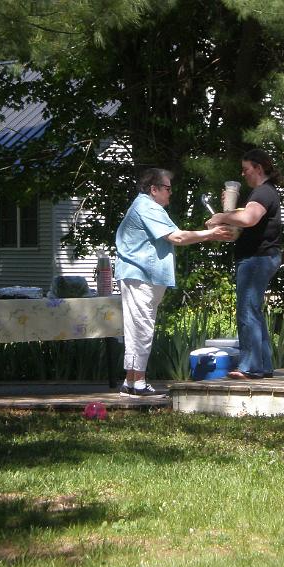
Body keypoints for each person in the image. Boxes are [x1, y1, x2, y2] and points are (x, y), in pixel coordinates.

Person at [115, 168, 234, 396]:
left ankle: (130, 382)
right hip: (141, 277)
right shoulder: (147, 207)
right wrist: (211, 234)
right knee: (141, 328)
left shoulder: (147, 206)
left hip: (141, 277)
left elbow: (176, 234)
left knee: (137, 327)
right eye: (168, 189)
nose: (171, 193)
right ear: (154, 189)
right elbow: (177, 237)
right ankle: (138, 383)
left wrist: (207, 234)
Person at [205, 149, 283, 379]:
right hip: (261, 257)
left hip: (257, 259)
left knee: (247, 311)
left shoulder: (263, 192)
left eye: (246, 169)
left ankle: (251, 367)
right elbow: (245, 221)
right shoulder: (263, 193)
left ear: (258, 168)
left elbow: (249, 219)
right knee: (254, 311)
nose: (243, 173)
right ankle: (264, 365)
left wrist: (221, 216)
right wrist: (230, 212)